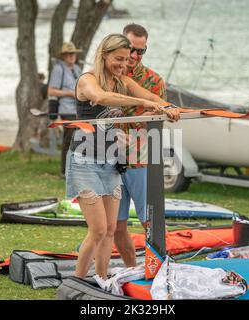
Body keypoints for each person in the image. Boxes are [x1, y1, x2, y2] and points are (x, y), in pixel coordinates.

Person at [68, 33, 179, 280]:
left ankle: (102, 278)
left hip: (111, 162)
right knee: (97, 230)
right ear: (103, 55)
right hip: (85, 162)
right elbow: (101, 98)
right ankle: (76, 281)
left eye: (126, 59)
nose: (122, 64)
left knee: (109, 229)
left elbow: (151, 96)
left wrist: (166, 106)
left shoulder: (122, 81)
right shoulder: (88, 80)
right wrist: (143, 102)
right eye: (118, 59)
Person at [113, 24, 170, 268]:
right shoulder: (107, 76)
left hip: (141, 160)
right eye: (131, 50)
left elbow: (155, 128)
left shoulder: (153, 81)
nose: (135, 56)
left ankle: (158, 272)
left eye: (141, 51)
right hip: (109, 161)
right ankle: (131, 270)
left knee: (151, 222)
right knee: (115, 226)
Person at [48, 42, 82, 176]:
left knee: (80, 138)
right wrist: (69, 93)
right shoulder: (58, 69)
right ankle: (65, 171)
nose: (72, 56)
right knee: (70, 138)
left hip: (79, 109)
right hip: (66, 109)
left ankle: (75, 169)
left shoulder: (78, 68)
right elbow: (51, 91)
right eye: (69, 54)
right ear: (63, 56)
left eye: (73, 53)